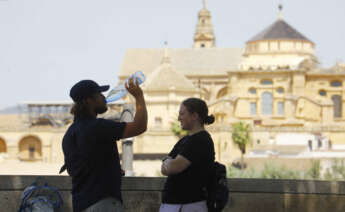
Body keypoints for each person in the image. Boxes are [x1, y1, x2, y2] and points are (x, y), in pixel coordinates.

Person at [62, 78, 147, 212]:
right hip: (103, 203)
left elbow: (78, 168)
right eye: (100, 94)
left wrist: (110, 170)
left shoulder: (70, 133)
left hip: (81, 204)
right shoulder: (98, 127)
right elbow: (140, 126)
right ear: (89, 100)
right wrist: (139, 97)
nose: (104, 98)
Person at [160, 97, 215, 212]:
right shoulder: (184, 140)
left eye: (182, 114)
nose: (179, 118)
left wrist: (167, 161)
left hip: (189, 205)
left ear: (195, 116)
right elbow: (164, 170)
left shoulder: (200, 140)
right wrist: (168, 163)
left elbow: (173, 167)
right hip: (176, 205)